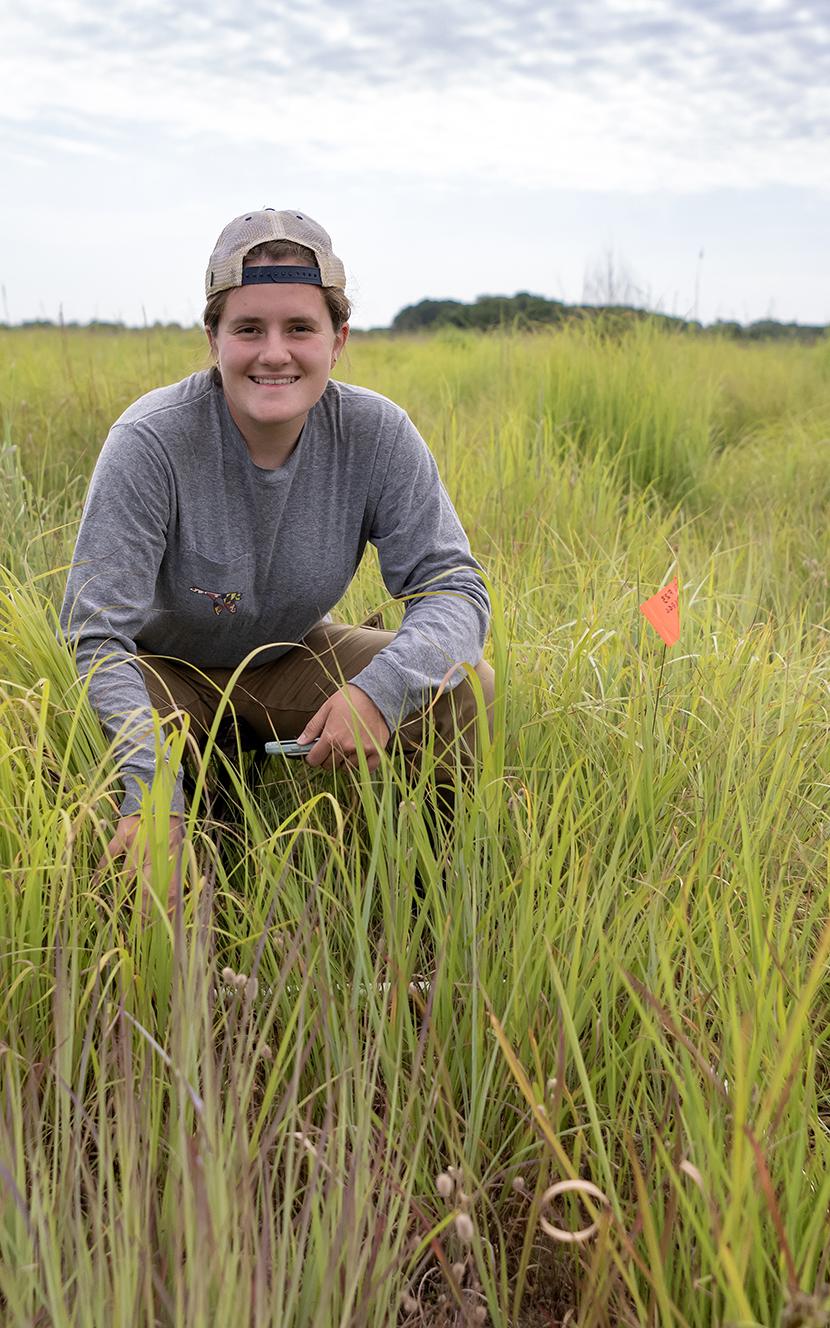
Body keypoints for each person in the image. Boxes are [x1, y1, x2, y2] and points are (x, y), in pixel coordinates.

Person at [60, 208, 495, 901]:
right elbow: (95, 634)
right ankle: (177, 984)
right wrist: (151, 788)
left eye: (299, 328)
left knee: (464, 689)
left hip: (281, 657)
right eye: (248, 329)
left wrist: (378, 694)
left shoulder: (376, 434)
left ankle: (410, 914)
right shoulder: (151, 442)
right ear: (213, 339)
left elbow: (454, 590)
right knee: (147, 829)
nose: (274, 353)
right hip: (160, 670)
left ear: (338, 339)